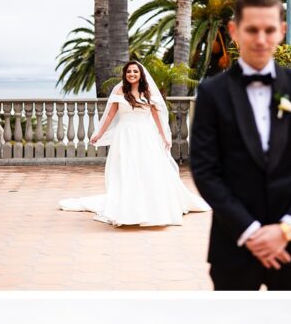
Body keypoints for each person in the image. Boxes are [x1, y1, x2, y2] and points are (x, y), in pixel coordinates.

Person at [189, 0, 291, 291]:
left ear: (282, 31)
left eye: (269, 30)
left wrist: (285, 229)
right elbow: (205, 171)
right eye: (252, 30)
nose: (261, 39)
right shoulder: (211, 93)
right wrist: (251, 232)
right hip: (233, 246)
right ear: (234, 30)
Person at [59, 61, 210, 226]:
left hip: (146, 136)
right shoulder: (119, 90)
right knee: (127, 168)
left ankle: (151, 206)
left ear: (140, 74)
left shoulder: (148, 92)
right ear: (125, 74)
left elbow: (156, 114)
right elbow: (110, 115)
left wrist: (164, 135)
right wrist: (99, 133)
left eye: (135, 72)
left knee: (148, 168)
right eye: (129, 71)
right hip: (125, 135)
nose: (132, 74)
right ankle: (127, 208)